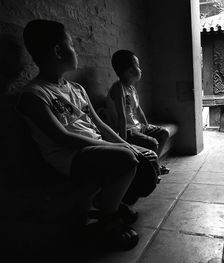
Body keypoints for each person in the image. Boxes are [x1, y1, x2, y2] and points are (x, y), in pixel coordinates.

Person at [17, 19, 152, 250]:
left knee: (145, 157)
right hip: (70, 157)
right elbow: (62, 137)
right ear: (58, 51)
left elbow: (101, 125)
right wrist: (120, 150)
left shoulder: (76, 89)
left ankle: (111, 202)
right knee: (126, 160)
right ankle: (108, 219)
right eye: (71, 44)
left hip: (94, 149)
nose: (75, 49)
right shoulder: (34, 95)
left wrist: (127, 144)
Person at [105, 50, 170, 174]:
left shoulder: (132, 88)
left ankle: (153, 166)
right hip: (127, 130)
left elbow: (138, 109)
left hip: (137, 127)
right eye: (138, 66)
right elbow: (121, 116)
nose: (141, 70)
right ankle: (152, 171)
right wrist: (123, 142)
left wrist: (146, 125)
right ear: (130, 71)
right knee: (153, 143)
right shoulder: (118, 88)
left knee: (164, 133)